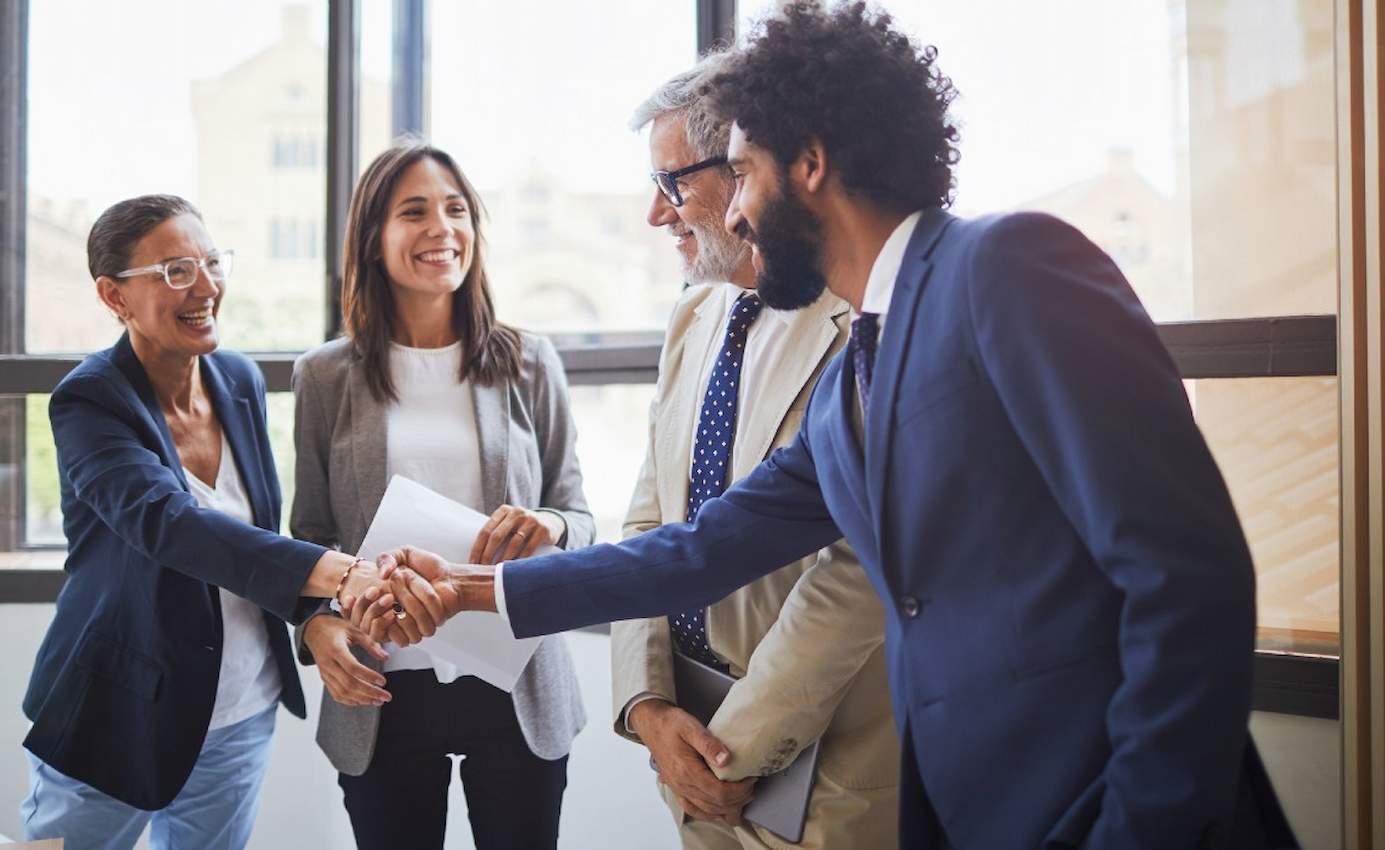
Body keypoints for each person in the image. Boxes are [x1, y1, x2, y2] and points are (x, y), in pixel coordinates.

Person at [375, 3, 1299, 848]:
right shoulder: (861, 365)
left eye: (738, 172)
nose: (730, 208)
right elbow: (697, 550)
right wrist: (472, 591)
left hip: (1102, 807)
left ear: (809, 164)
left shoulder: (1009, 266)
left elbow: (1187, 581)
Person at [20, 194, 391, 850]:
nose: (207, 287)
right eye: (174, 272)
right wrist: (338, 572)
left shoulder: (237, 379)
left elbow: (255, 538)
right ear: (114, 297)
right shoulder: (89, 401)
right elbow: (168, 524)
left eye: (211, 263)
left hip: (239, 712)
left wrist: (314, 613)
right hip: (118, 710)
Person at [613, 57, 898, 849]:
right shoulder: (694, 315)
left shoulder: (862, 325)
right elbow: (648, 523)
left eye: (673, 185)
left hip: (821, 768)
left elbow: (855, 572)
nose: (655, 214)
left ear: (748, 170)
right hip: (683, 743)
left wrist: (731, 750)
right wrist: (646, 706)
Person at [290, 139, 592, 850]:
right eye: (414, 211)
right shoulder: (325, 376)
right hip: (383, 683)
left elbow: (578, 514)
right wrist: (312, 624)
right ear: (373, 238)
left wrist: (547, 523)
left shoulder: (528, 360)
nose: (441, 228)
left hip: (516, 680)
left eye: (456, 210)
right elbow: (307, 536)